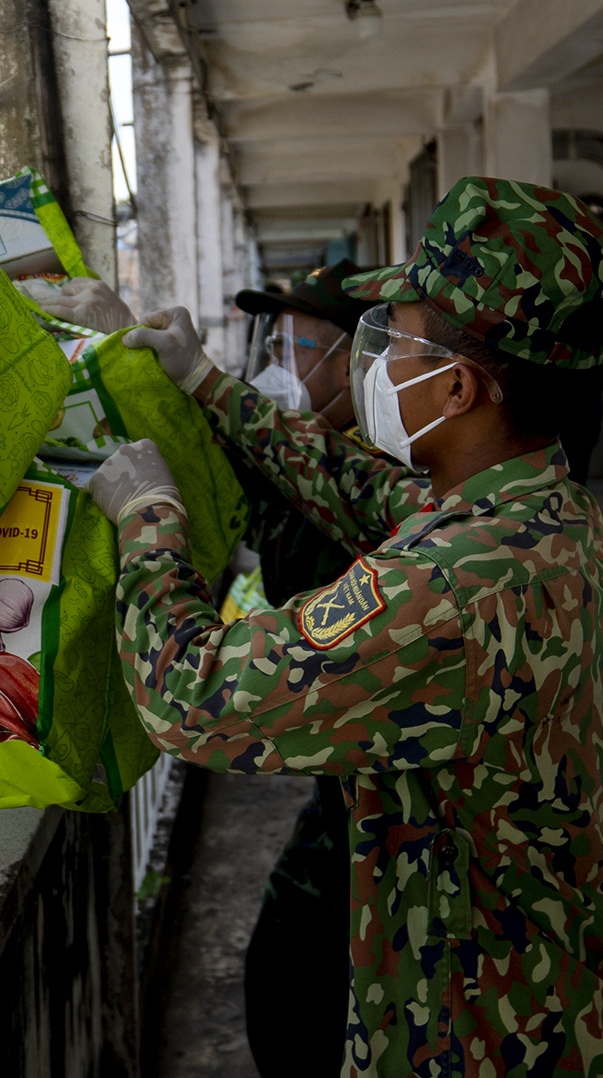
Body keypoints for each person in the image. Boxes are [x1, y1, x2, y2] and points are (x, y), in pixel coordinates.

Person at [90, 176, 603, 1076]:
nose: (373, 361)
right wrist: (203, 382)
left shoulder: (456, 586)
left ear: (460, 387)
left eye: (394, 339)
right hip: (557, 1000)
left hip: (483, 1041)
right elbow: (355, 485)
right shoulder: (540, 511)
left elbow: (192, 696)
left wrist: (149, 518)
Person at [229, 260, 373, 1078]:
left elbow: (215, 699)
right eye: (274, 338)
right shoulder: (314, 457)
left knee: (296, 984)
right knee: (290, 983)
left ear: (360, 359)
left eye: (302, 342)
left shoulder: (377, 484)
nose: (282, 358)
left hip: (383, 788)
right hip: (350, 778)